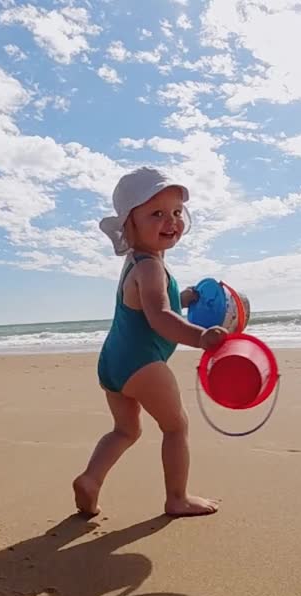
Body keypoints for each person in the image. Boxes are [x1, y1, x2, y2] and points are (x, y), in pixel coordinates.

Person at [71, 167, 227, 519]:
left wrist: (186, 297)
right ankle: (177, 498)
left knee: (126, 429)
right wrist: (200, 337)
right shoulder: (151, 269)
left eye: (175, 212)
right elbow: (159, 316)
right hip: (143, 362)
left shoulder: (139, 264)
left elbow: (155, 303)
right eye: (156, 214)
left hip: (112, 362)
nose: (170, 221)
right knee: (176, 426)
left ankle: (91, 479)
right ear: (130, 225)